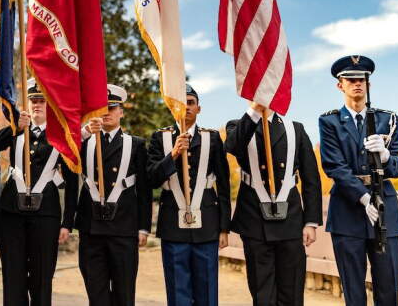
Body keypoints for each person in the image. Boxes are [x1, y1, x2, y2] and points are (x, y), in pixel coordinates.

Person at [319, 55, 398, 306]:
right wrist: (364, 196)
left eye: (362, 79)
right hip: (348, 209)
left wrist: (387, 155)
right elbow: (334, 166)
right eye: (351, 79)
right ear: (340, 85)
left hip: (385, 209)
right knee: (354, 292)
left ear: (369, 84)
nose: (357, 83)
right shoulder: (330, 121)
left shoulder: (387, 119)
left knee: (388, 287)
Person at [0, 78, 78, 306]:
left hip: (46, 214)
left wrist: (67, 222)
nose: (37, 105)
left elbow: (73, 182)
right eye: (34, 100)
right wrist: (15, 127)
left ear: (50, 106)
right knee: (13, 275)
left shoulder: (61, 137)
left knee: (42, 276)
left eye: (42, 101)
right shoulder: (16, 131)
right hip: (11, 214)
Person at [225, 101, 322, 306]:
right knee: (262, 293)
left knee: (292, 292)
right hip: (254, 220)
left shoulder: (295, 129)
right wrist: (254, 111)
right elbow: (232, 146)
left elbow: (311, 177)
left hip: (291, 219)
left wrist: (311, 222)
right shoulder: (237, 125)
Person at [147, 83, 231, 306]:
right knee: (177, 291)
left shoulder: (212, 138)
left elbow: (223, 184)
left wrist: (224, 227)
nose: (187, 108)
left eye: (191, 103)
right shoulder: (159, 138)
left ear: (199, 108)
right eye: (181, 104)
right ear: (174, 109)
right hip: (173, 225)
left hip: (207, 224)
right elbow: (151, 179)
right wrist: (173, 154)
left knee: (207, 291)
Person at [75, 84, 152, 306]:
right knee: (96, 292)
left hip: (124, 228)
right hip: (91, 228)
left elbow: (144, 190)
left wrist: (143, 227)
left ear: (121, 111)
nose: (107, 112)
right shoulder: (84, 142)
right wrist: (86, 131)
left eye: (112, 107)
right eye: (102, 108)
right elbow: (63, 156)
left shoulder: (136, 144)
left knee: (124, 292)